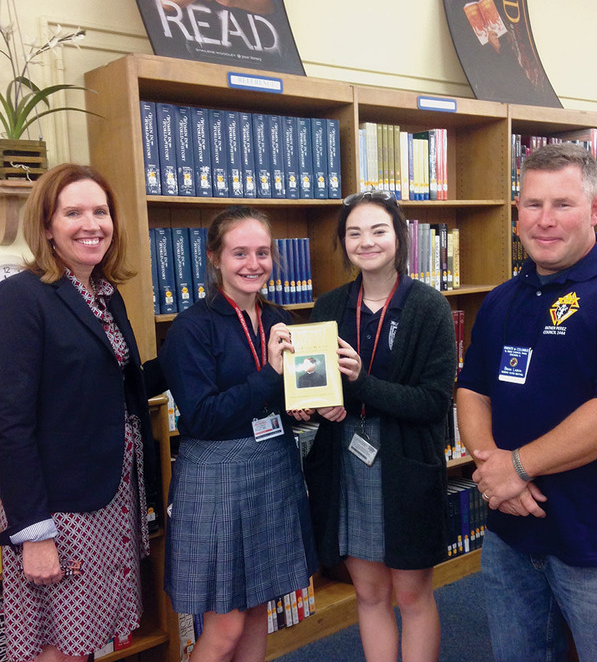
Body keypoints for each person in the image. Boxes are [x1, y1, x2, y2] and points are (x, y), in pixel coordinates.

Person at [456, 143, 597, 662]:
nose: (545, 220)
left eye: (563, 204)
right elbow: (472, 388)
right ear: (517, 215)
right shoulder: (503, 298)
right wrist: (493, 469)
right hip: (511, 536)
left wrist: (514, 467)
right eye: (533, 205)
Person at [0, 164, 164, 662]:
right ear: (47, 226)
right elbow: (10, 423)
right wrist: (33, 534)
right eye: (73, 212)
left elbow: (114, 388)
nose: (91, 223)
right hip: (59, 510)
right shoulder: (21, 298)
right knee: (54, 647)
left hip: (108, 500)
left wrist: (202, 349)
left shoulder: (103, 295)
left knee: (83, 642)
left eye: (101, 211)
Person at [303, 190, 457, 662]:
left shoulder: (429, 307)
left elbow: (434, 402)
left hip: (405, 466)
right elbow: (316, 384)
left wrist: (362, 384)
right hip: (345, 461)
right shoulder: (329, 307)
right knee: (368, 594)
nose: (366, 242)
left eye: (378, 230)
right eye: (354, 233)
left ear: (399, 237)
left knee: (411, 596)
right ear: (342, 242)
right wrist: (317, 404)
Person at [159, 205, 317, 662]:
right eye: (240, 253)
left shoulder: (278, 318)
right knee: (225, 624)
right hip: (217, 479)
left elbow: (280, 397)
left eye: (263, 253)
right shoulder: (191, 328)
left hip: (272, 471)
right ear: (215, 258)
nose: (253, 264)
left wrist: (301, 405)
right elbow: (205, 417)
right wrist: (271, 375)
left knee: (256, 611)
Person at [447, 0, 547, 106]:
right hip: (492, 94)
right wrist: (490, 47)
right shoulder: (456, 7)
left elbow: (508, 57)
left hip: (514, 90)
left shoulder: (489, 3)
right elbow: (470, 60)